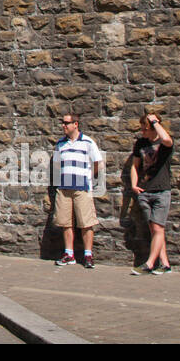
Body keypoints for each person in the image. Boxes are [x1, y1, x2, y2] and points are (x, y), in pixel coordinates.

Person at [51, 113, 104, 268]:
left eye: (67, 123)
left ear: (76, 124)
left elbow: (98, 163)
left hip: (82, 187)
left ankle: (88, 255)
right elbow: (56, 164)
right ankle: (69, 253)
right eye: (63, 123)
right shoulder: (60, 144)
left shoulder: (88, 142)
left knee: (86, 222)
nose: (63, 126)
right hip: (64, 187)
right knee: (65, 222)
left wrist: (86, 176)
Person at [131, 112, 175, 275]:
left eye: (146, 129)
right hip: (144, 190)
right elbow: (135, 166)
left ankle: (149, 264)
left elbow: (166, 139)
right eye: (141, 129)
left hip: (161, 190)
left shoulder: (164, 144)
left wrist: (155, 121)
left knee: (157, 227)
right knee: (155, 229)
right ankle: (165, 264)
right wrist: (134, 184)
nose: (143, 132)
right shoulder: (141, 143)